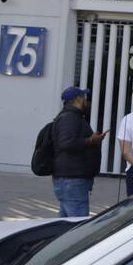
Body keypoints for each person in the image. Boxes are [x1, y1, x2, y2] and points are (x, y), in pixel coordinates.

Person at [51, 86, 106, 217]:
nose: (86, 100)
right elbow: (65, 142)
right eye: (84, 97)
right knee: (78, 226)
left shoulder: (71, 117)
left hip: (70, 180)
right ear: (78, 99)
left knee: (64, 225)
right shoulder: (69, 118)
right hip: (72, 181)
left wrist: (92, 139)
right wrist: (91, 140)